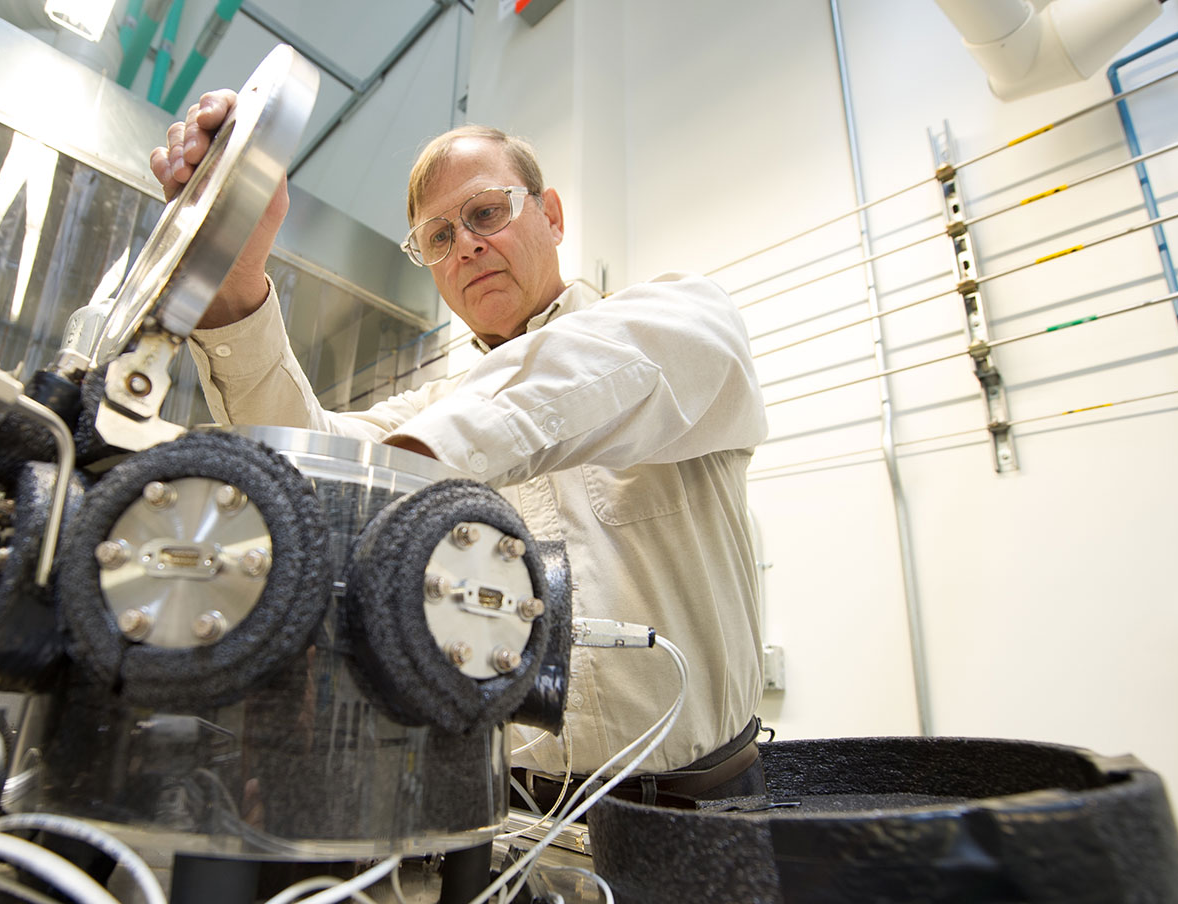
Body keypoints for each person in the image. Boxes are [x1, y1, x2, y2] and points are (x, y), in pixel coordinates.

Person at [150, 91, 769, 807]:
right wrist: (234, 277)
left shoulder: (683, 324)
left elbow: (585, 375)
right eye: (438, 238)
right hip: (500, 820)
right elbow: (300, 455)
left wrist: (416, 464)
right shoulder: (434, 405)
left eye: (485, 213)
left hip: (698, 811)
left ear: (553, 215)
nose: (467, 245)